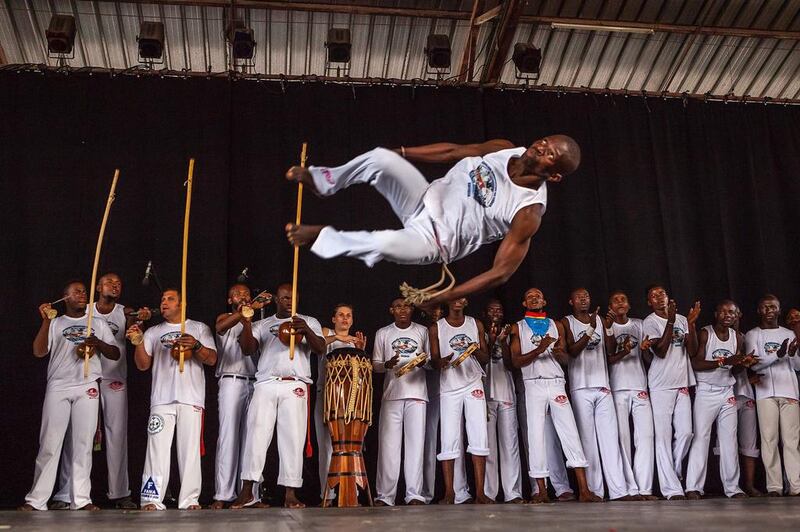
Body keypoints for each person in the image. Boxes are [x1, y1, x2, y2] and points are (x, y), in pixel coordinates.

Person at [285, 136, 581, 304]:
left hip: (434, 241)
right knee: (381, 158)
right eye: (545, 142)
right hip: (423, 198)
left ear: (553, 175)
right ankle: (324, 182)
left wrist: (444, 296)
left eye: (551, 155)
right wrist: (401, 152)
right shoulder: (504, 149)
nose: (542, 148)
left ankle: (323, 237)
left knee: (384, 241)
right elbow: (454, 150)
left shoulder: (528, 211)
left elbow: (500, 273)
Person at [20, 281, 120, 511]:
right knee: (50, 443)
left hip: (87, 385)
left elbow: (114, 353)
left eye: (84, 291)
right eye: (76, 291)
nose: (82, 294)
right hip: (59, 386)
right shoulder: (56, 323)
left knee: (83, 445)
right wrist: (46, 320)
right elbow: (39, 351)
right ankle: (36, 500)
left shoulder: (97, 323)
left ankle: (81, 499)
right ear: (64, 298)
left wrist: (98, 343)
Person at [51, 273, 147, 510]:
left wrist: (143, 319)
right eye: (109, 282)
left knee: (116, 434)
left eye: (119, 284)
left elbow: (138, 326)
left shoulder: (125, 312)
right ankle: (66, 493)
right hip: (84, 379)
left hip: (114, 378)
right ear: (97, 287)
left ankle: (120, 492)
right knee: (77, 435)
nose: (115, 286)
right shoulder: (86, 310)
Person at [232, 284, 326, 509]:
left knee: (293, 438)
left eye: (293, 297)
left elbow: (321, 348)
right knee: (256, 435)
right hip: (266, 382)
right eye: (285, 298)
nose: (289, 301)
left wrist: (306, 331)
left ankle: (290, 492)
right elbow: (247, 349)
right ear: (276, 299)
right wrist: (246, 324)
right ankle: (248, 491)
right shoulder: (263, 324)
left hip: (295, 384)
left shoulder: (308, 321)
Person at [128, 288, 217, 510]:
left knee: (189, 452)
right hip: (161, 399)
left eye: (170, 299)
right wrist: (138, 341)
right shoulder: (153, 332)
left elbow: (212, 359)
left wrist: (196, 345)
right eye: (162, 299)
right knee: (156, 450)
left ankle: (189, 500)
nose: (164, 302)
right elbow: (142, 365)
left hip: (191, 397)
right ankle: (151, 498)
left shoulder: (198, 328)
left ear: (182, 304)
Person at [510, 287, 598, 503]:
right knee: (536, 436)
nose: (533, 299)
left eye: (537, 296)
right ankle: (541, 490)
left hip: (557, 384)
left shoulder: (556, 325)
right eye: (529, 296)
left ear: (544, 300)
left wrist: (559, 353)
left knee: (570, 434)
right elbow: (515, 362)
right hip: (533, 384)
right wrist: (538, 350)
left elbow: (567, 360)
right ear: (524, 304)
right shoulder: (517, 327)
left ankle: (584, 490)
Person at [562, 289, 631, 501]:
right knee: (588, 442)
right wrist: (591, 329)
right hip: (581, 387)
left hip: (603, 386)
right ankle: (594, 490)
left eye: (587, 296)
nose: (584, 299)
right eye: (579, 297)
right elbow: (572, 351)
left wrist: (607, 329)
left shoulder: (600, 319)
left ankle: (619, 491)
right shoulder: (566, 322)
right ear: (571, 301)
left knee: (610, 440)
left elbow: (609, 351)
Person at [685, 300, 754, 499]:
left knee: (729, 441)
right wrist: (724, 360)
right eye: (723, 312)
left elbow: (736, 368)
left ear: (737, 315)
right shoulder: (706, 333)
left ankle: (733, 488)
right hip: (706, 391)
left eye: (731, 312)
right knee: (701, 438)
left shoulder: (738, 338)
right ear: (716, 314)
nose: (727, 315)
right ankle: (693, 487)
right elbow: (695, 363)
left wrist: (744, 363)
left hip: (727, 392)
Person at [210, 284, 271, 509]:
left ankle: (250, 495)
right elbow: (220, 327)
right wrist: (245, 310)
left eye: (246, 293)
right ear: (230, 300)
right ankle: (222, 494)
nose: (243, 296)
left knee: (253, 440)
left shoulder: (258, 323)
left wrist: (252, 313)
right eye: (237, 294)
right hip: (231, 380)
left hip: (256, 382)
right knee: (228, 437)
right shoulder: (226, 317)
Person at [430, 298, 492, 504]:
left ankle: (481, 493)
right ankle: (450, 492)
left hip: (473, 383)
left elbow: (485, 358)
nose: (458, 302)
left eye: (462, 299)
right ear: (448, 301)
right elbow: (434, 361)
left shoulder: (476, 324)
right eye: (454, 298)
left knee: (479, 435)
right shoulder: (436, 327)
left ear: (466, 302)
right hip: (449, 386)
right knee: (448, 437)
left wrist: (475, 350)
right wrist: (442, 361)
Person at [641, 286, 700, 500]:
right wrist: (671, 321)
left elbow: (692, 351)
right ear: (649, 302)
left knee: (686, 432)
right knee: (663, 438)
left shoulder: (683, 319)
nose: (659, 298)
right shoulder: (650, 321)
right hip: (660, 385)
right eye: (653, 296)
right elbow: (661, 350)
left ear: (668, 297)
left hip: (682, 381)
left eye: (661, 294)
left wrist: (691, 324)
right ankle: (671, 489)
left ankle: (673, 472)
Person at [373, 298, 430, 506]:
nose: (403, 310)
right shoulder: (383, 333)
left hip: (417, 394)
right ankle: (385, 496)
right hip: (391, 395)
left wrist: (425, 362)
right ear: (391, 310)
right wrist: (387, 364)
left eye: (406, 306)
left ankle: (414, 494)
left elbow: (432, 361)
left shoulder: (422, 331)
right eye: (398, 306)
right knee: (389, 447)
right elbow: (375, 365)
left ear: (412, 309)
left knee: (416, 446)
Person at [746, 295, 800, 496]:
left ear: (779, 310)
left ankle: (795, 485)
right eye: (765, 307)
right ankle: (775, 486)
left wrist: (792, 354)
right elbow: (754, 364)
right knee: (769, 439)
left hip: (789, 390)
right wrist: (776, 356)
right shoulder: (754, 334)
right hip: (765, 392)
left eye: (774, 307)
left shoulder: (789, 332)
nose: (769, 309)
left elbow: (796, 367)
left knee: (792, 440)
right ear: (759, 310)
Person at [606, 290, 656, 500]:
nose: (620, 302)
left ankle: (644, 488)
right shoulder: (607, 326)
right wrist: (623, 349)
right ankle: (628, 488)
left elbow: (646, 356)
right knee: (622, 439)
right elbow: (608, 357)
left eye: (623, 299)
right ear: (610, 306)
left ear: (629, 305)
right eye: (615, 300)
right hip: (617, 388)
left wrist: (644, 349)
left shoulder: (639, 324)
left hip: (639, 386)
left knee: (645, 438)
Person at [317, 303, 366, 504]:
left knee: (351, 446)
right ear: (333, 319)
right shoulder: (325, 333)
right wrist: (337, 337)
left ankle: (350, 492)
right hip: (327, 395)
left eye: (348, 316)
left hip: (351, 398)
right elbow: (318, 344)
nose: (345, 319)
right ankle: (327, 495)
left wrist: (361, 351)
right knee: (327, 446)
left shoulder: (356, 341)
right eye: (341, 315)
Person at [481, 299, 524, 503]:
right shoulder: (479, 331)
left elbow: (511, 364)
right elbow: (482, 358)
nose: (495, 312)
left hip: (506, 392)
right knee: (488, 446)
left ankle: (512, 493)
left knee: (510, 445)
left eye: (499, 309)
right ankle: (489, 493)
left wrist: (502, 341)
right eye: (491, 309)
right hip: (486, 393)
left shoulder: (510, 332)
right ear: (486, 313)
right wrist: (490, 340)